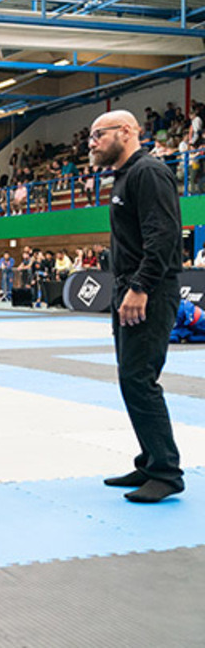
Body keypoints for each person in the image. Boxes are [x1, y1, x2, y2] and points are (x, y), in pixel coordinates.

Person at [90, 110, 185, 503]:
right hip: (128, 290)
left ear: (127, 132)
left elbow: (163, 236)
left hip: (149, 291)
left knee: (139, 378)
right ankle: (149, 461)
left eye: (98, 134)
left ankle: (166, 472)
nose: (91, 142)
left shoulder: (148, 172)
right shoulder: (124, 177)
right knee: (131, 379)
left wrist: (141, 287)